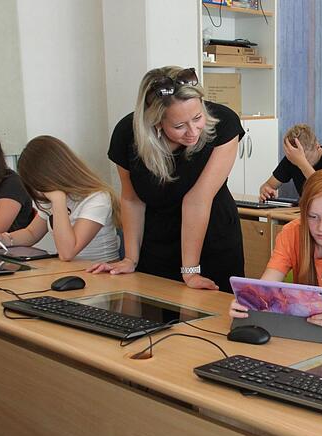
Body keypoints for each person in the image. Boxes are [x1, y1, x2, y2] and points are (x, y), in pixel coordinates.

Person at [89, 66, 244, 292]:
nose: (193, 131)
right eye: (179, 126)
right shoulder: (127, 134)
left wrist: (190, 271)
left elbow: (197, 200)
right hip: (157, 244)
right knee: (157, 321)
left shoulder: (224, 124)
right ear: (156, 123)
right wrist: (130, 258)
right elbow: (132, 200)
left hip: (210, 240)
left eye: (198, 118)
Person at [231, 169, 322, 341]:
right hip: (304, 331)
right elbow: (266, 286)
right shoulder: (291, 233)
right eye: (313, 217)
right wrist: (249, 303)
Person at [0, 136, 121, 262]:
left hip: (101, 275)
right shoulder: (51, 197)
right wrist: (4, 239)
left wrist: (59, 201)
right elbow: (31, 234)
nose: (35, 190)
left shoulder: (97, 199)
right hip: (71, 271)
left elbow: (67, 253)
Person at [258, 124, 322, 201]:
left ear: (317, 145)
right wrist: (265, 191)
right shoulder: (293, 159)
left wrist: (302, 163)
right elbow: (268, 185)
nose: (298, 161)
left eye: (305, 157)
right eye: (296, 158)